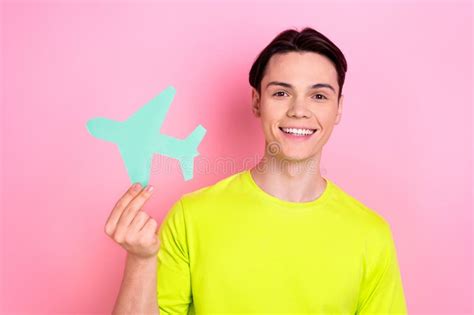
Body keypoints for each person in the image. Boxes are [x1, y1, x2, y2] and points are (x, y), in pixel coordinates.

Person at [107, 27, 408, 314]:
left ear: (338, 108)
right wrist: (141, 261)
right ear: (256, 102)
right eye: (281, 93)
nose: (298, 110)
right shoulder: (191, 217)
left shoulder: (371, 235)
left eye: (319, 96)